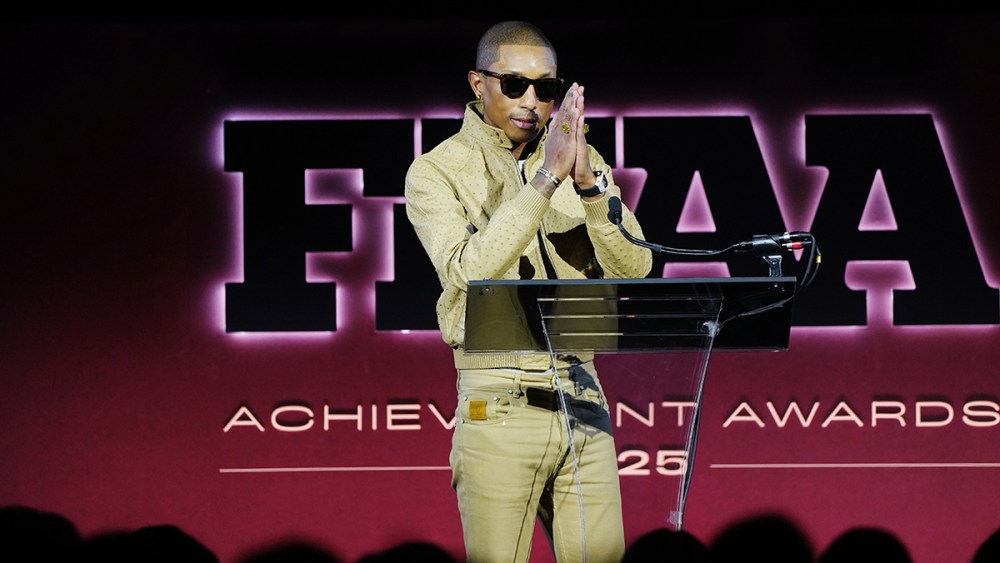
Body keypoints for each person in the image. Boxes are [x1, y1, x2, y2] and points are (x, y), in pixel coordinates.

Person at [405, 20, 652, 563]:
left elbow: (634, 268)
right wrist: (544, 182)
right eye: (514, 84)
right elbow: (468, 272)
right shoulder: (436, 173)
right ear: (478, 83)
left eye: (547, 88)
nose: (532, 101)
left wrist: (588, 187)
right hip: (497, 395)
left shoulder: (579, 159)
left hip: (582, 391)